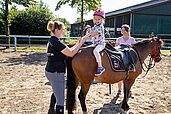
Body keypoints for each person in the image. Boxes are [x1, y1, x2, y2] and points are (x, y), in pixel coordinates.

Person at [45, 20, 85, 114]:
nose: (64, 31)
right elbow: (71, 53)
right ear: (57, 30)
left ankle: (52, 109)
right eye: (63, 29)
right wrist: (81, 43)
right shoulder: (57, 42)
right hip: (56, 73)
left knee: (57, 93)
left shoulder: (52, 40)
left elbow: (69, 50)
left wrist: (78, 43)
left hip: (50, 71)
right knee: (60, 100)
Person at [115, 24, 136, 98]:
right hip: (121, 59)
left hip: (129, 59)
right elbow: (116, 48)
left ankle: (129, 91)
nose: (122, 31)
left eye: (124, 30)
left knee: (130, 76)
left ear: (127, 31)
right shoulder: (119, 39)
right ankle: (119, 90)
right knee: (120, 76)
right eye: (122, 30)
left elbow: (134, 50)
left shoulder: (132, 39)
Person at [85, 9, 106, 76]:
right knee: (86, 49)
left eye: (99, 19)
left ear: (102, 20)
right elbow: (90, 34)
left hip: (100, 44)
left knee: (96, 51)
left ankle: (100, 67)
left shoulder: (100, 27)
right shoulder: (94, 27)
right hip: (95, 43)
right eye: (95, 19)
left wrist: (87, 37)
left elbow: (94, 34)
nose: (97, 21)